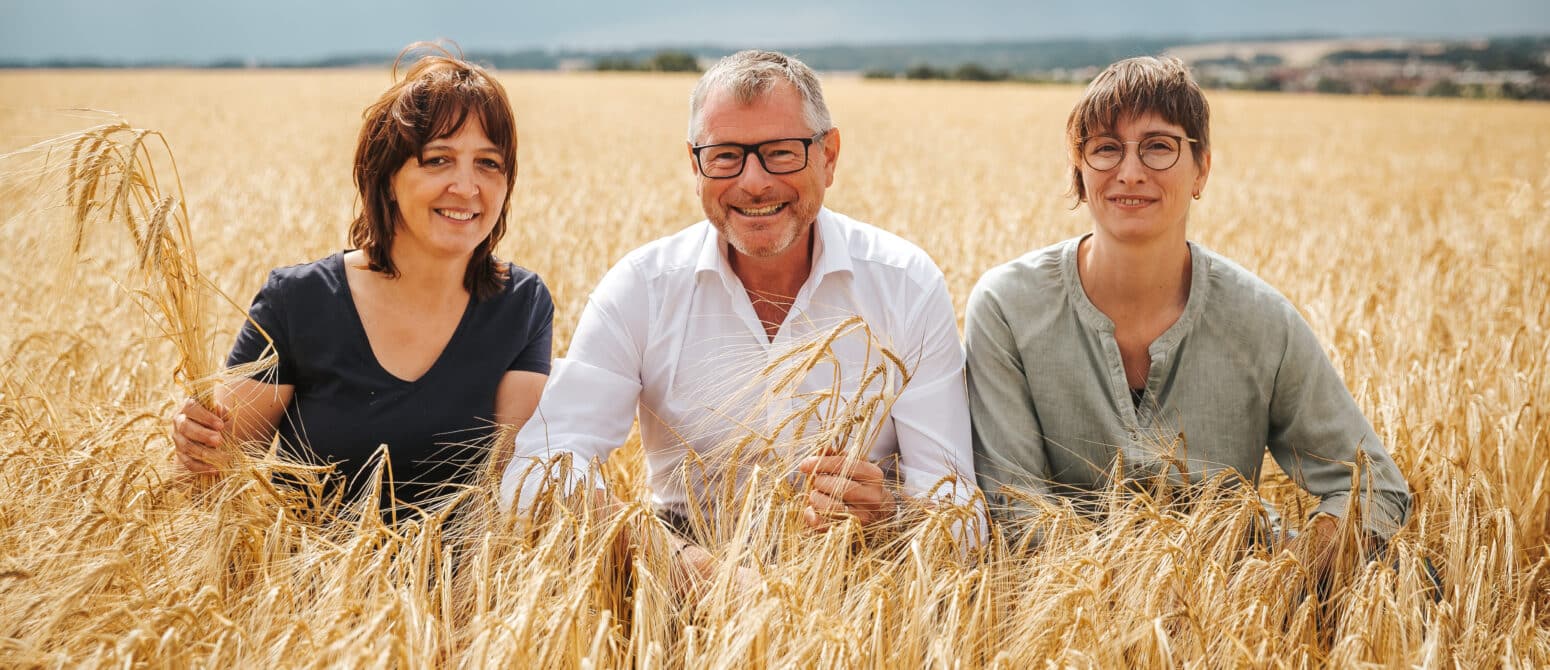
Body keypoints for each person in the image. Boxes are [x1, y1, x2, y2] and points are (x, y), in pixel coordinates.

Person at [499, 50, 977, 573]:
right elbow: (541, 470)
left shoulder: (905, 284)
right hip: (676, 583)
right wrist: (687, 567)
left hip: (860, 582)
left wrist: (889, 515)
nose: (753, 182)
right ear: (694, 164)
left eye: (780, 152)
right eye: (726, 155)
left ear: (830, 156)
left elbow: (958, 515)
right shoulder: (642, 288)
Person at [966, 57, 1410, 565]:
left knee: (1413, 579)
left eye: (1158, 147)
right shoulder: (1007, 307)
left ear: (1201, 168)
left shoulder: (1261, 321)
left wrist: (1293, 572)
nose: (1130, 173)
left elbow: (1376, 489)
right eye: (1106, 148)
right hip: (1062, 606)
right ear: (1079, 171)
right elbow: (1016, 509)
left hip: (1236, 609)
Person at [171, 45, 552, 510]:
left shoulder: (521, 305)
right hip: (304, 582)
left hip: (471, 583)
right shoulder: (297, 303)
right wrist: (194, 446)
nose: (467, 187)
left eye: (489, 164)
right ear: (388, 174)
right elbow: (209, 488)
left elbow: (515, 488)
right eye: (438, 160)